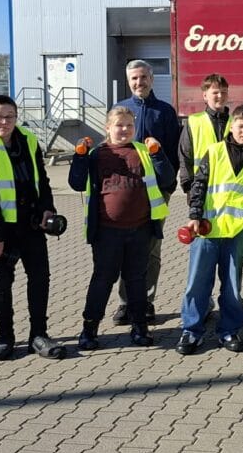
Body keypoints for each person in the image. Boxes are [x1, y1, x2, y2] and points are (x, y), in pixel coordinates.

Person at [68, 106, 176, 350]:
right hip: (107, 231)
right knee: (102, 280)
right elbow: (76, 183)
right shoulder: (97, 154)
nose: (125, 129)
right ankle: (89, 329)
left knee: (136, 280)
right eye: (119, 125)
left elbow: (167, 178)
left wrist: (158, 154)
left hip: (140, 229)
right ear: (108, 128)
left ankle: (139, 327)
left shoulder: (143, 151)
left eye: (129, 125)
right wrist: (80, 157)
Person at [0, 95, 66, 361]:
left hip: (30, 224)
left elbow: (41, 180)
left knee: (40, 278)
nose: (4, 122)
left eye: (9, 116)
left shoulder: (28, 139)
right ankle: (4, 337)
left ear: (16, 117)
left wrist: (47, 209)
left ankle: (38, 335)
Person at [177, 104, 243, 355]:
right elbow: (199, 184)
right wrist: (194, 215)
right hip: (206, 230)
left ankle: (229, 330)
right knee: (197, 283)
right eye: (240, 126)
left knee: (232, 286)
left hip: (238, 233)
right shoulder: (215, 151)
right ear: (231, 127)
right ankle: (191, 331)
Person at [113, 59, 180, 325]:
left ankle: (147, 302)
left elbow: (174, 153)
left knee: (151, 249)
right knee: (125, 247)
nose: (139, 82)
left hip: (156, 193)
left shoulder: (165, 112)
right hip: (126, 192)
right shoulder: (119, 110)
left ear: (151, 79)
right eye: (134, 78)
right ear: (128, 81)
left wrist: (167, 185)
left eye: (143, 77)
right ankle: (125, 303)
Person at [178, 73, 231, 194]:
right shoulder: (194, 121)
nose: (220, 96)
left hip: (228, 188)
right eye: (215, 92)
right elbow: (185, 155)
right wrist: (189, 187)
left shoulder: (234, 123)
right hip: (200, 187)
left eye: (224, 92)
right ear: (205, 96)